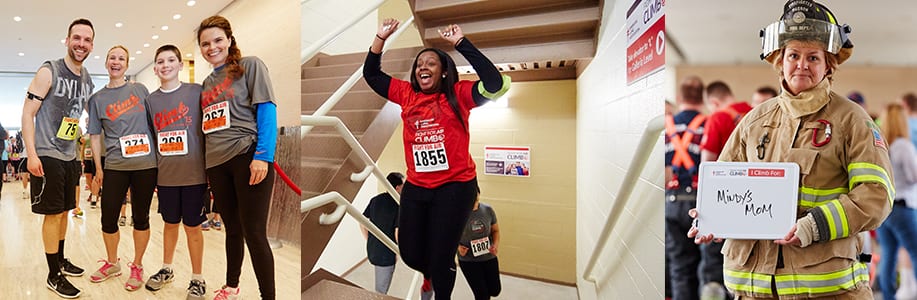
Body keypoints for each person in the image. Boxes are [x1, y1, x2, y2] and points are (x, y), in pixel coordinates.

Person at [690, 1, 893, 298]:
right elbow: (723, 186)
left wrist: (814, 226)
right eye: (793, 55)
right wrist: (710, 219)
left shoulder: (853, 120)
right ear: (780, 61)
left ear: (828, 65)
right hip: (753, 290)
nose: (802, 64)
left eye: (813, 57)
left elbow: (876, 193)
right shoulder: (753, 121)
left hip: (828, 291)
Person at [363, 18, 509, 299]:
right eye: (419, 64)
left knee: (442, 257)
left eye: (430, 63)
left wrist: (461, 44)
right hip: (418, 185)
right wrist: (380, 38)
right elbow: (372, 75)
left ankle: (441, 289)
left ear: (443, 72)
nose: (422, 67)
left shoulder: (459, 94)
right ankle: (431, 272)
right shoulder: (406, 95)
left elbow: (494, 83)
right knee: (409, 253)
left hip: (456, 186)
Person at [197, 15, 278, 300]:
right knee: (232, 229)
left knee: (254, 233)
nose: (212, 47)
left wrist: (263, 156)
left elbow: (267, 110)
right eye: (205, 43)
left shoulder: (250, 66)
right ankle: (231, 286)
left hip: (246, 156)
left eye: (218, 40)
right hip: (217, 164)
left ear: (229, 40)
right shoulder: (206, 83)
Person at [20, 18, 94, 299]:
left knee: (65, 211)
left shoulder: (86, 77)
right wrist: (31, 154)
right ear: (67, 40)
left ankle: (61, 259)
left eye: (87, 40)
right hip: (47, 154)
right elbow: (28, 114)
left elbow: (81, 114)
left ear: (91, 45)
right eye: (77, 38)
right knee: (52, 215)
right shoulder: (49, 70)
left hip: (69, 155)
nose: (81, 44)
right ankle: (53, 274)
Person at [87, 45, 157, 292]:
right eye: (112, 58)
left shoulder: (140, 89)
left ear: (127, 64)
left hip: (146, 165)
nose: (116, 62)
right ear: (106, 63)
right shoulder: (96, 99)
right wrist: (98, 167)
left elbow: (154, 124)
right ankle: (112, 262)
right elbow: (95, 135)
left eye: (121, 59)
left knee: (141, 217)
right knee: (108, 218)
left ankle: (137, 266)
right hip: (115, 165)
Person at [142, 44, 209, 299]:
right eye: (160, 61)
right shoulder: (151, 100)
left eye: (171, 60)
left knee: (193, 227)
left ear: (181, 65)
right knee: (170, 224)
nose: (165, 65)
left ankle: (197, 278)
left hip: (194, 175)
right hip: (167, 176)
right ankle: (167, 269)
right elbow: (151, 137)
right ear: (155, 68)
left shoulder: (197, 91)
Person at [665, 75, 716, 300]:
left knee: (679, 268)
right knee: (708, 269)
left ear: (679, 97)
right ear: (703, 98)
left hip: (672, 203)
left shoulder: (666, 127)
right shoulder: (710, 124)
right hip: (703, 205)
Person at [875, 103, 917, 300]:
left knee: (889, 253)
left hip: (884, 207)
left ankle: (887, 296)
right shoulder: (904, 146)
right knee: (915, 251)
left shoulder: (880, 145)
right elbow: (913, 177)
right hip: (902, 206)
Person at [361, 172, 404, 295]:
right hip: (386, 253)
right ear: (397, 188)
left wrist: (369, 239)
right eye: (403, 185)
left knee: (380, 282)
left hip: (373, 250)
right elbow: (397, 232)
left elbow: (362, 222)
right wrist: (399, 251)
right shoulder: (398, 204)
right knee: (381, 290)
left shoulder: (375, 200)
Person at [457, 186, 501, 300]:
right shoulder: (456, 214)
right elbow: (446, 236)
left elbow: (495, 231)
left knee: (495, 290)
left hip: (488, 256)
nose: (473, 203)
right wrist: (458, 247)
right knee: (482, 295)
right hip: (468, 260)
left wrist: (495, 245)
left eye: (475, 199)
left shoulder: (488, 210)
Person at [700, 81, 752, 162]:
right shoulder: (753, 111)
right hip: (754, 171)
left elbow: (707, 160)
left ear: (714, 103)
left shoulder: (716, 119)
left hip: (727, 172)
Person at [80, 133, 98, 208]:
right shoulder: (85, 135)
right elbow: (82, 146)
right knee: (87, 176)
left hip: (96, 158)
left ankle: (95, 195)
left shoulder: (97, 133)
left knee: (95, 177)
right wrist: (82, 158)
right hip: (87, 157)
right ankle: (93, 192)